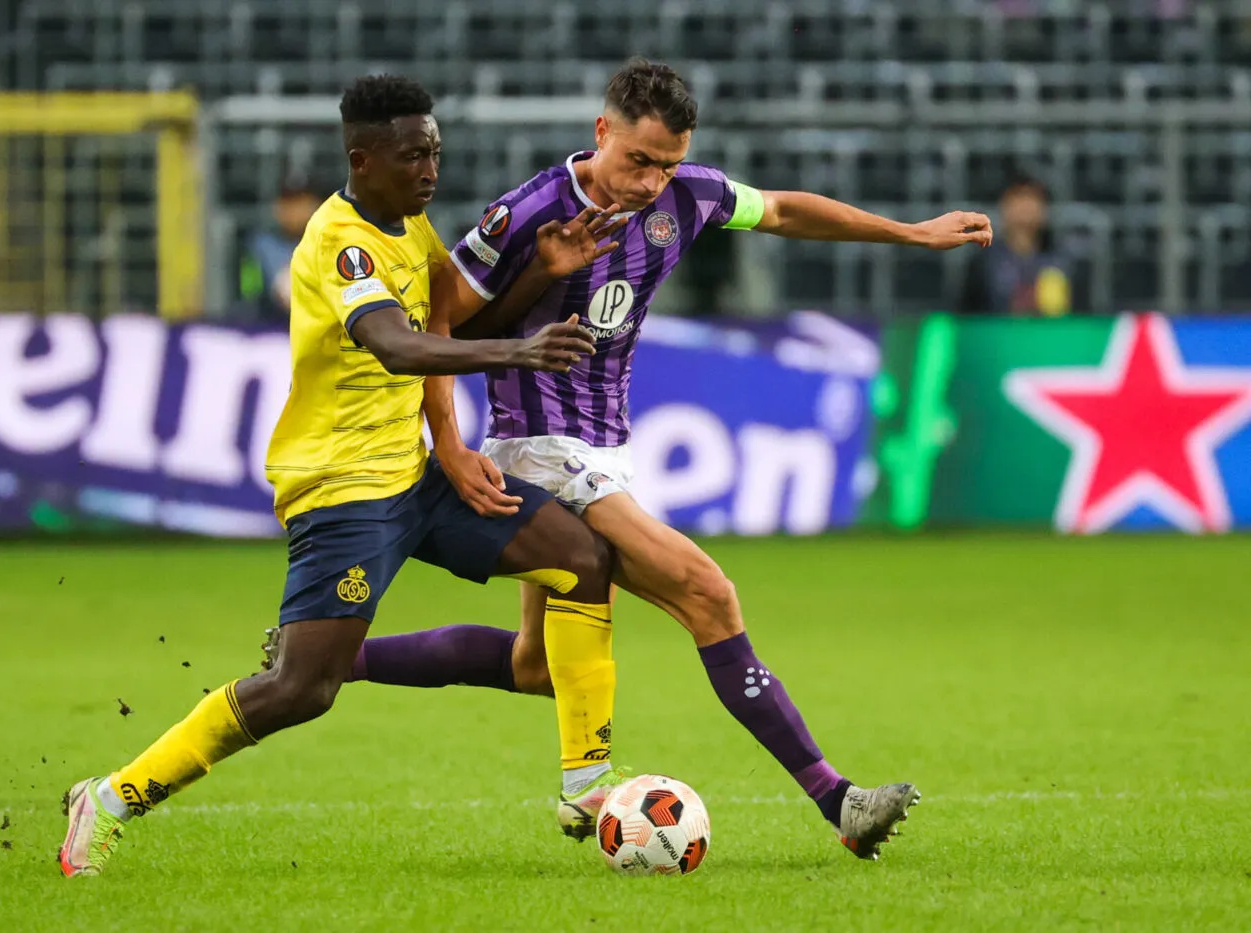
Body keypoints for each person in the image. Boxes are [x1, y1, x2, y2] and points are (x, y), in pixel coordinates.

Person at [344, 59, 993, 861]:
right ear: (601, 132)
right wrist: (448, 439)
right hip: (538, 446)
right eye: (639, 160)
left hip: (606, 448)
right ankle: (839, 799)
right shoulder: (529, 211)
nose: (652, 182)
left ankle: (334, 658)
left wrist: (911, 232)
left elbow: (783, 209)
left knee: (535, 665)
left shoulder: (692, 194)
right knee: (706, 591)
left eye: (668, 164)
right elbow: (443, 319)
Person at [58, 74, 628, 877]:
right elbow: (397, 345)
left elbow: (451, 324)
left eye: (434, 152)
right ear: (362, 160)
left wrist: (538, 273)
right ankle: (113, 796)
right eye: (412, 155)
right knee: (301, 688)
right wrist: (519, 351)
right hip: (343, 490)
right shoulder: (340, 241)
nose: (430, 169)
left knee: (581, 558)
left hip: (415, 475)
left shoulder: (411, 225)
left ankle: (585, 786)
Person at [958, 174, 1082, 316]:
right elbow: (967, 314)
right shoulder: (984, 261)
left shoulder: (1061, 261)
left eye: (1032, 199)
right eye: (1018, 199)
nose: (1025, 208)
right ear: (1004, 207)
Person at [238, 170, 326, 322]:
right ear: (277, 207)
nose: (295, 212)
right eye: (289, 203)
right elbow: (249, 296)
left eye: (302, 202)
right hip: (270, 328)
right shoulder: (260, 246)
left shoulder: (332, 244)